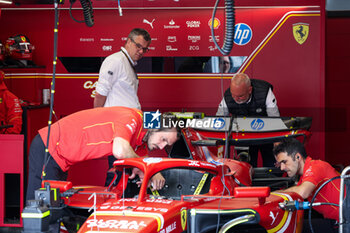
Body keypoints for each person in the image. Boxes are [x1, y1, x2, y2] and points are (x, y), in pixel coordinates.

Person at [26, 107, 180, 201]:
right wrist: (146, 169)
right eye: (163, 139)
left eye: (167, 145)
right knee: (42, 209)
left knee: (55, 208)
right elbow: (119, 150)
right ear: (154, 127)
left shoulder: (140, 141)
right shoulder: (132, 117)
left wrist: (146, 173)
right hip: (48, 146)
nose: (161, 146)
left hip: (61, 157)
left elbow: (139, 163)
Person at [273, 138, 340, 228]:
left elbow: (303, 192)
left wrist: (272, 194)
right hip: (337, 222)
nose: (282, 168)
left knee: (296, 227)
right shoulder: (302, 179)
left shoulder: (316, 166)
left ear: (298, 157)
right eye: (280, 164)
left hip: (343, 221)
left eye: (284, 162)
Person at [216, 73, 279, 167]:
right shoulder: (228, 96)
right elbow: (219, 121)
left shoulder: (265, 92)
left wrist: (277, 145)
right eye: (234, 95)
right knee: (244, 167)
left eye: (240, 96)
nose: (236, 99)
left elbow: (275, 121)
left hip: (267, 134)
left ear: (250, 90)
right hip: (243, 135)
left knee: (272, 165)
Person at [94, 28, 151, 109]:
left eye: (144, 49)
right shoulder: (116, 60)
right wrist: (97, 116)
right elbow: (100, 94)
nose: (141, 51)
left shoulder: (127, 62)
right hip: (117, 118)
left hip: (126, 117)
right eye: (138, 46)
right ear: (128, 42)